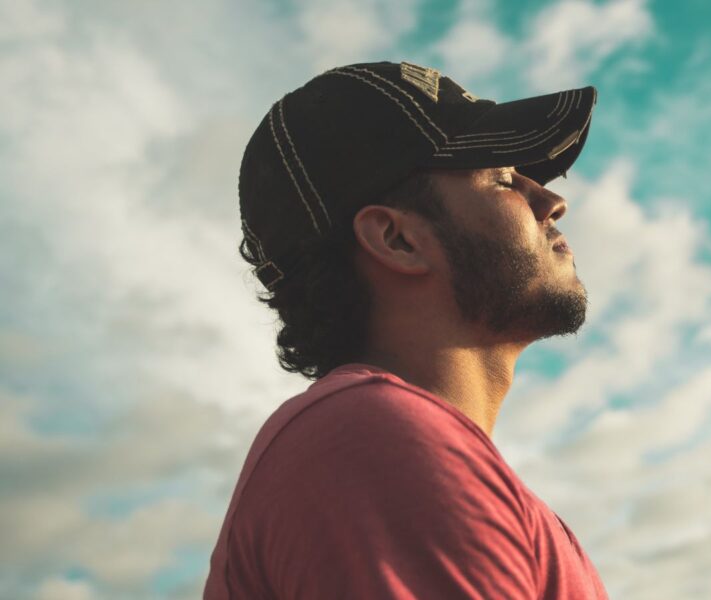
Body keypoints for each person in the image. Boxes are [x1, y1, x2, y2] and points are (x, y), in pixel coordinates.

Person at [203, 60, 607, 599]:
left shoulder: (394, 447)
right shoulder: (372, 439)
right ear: (396, 240)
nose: (551, 201)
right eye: (503, 179)